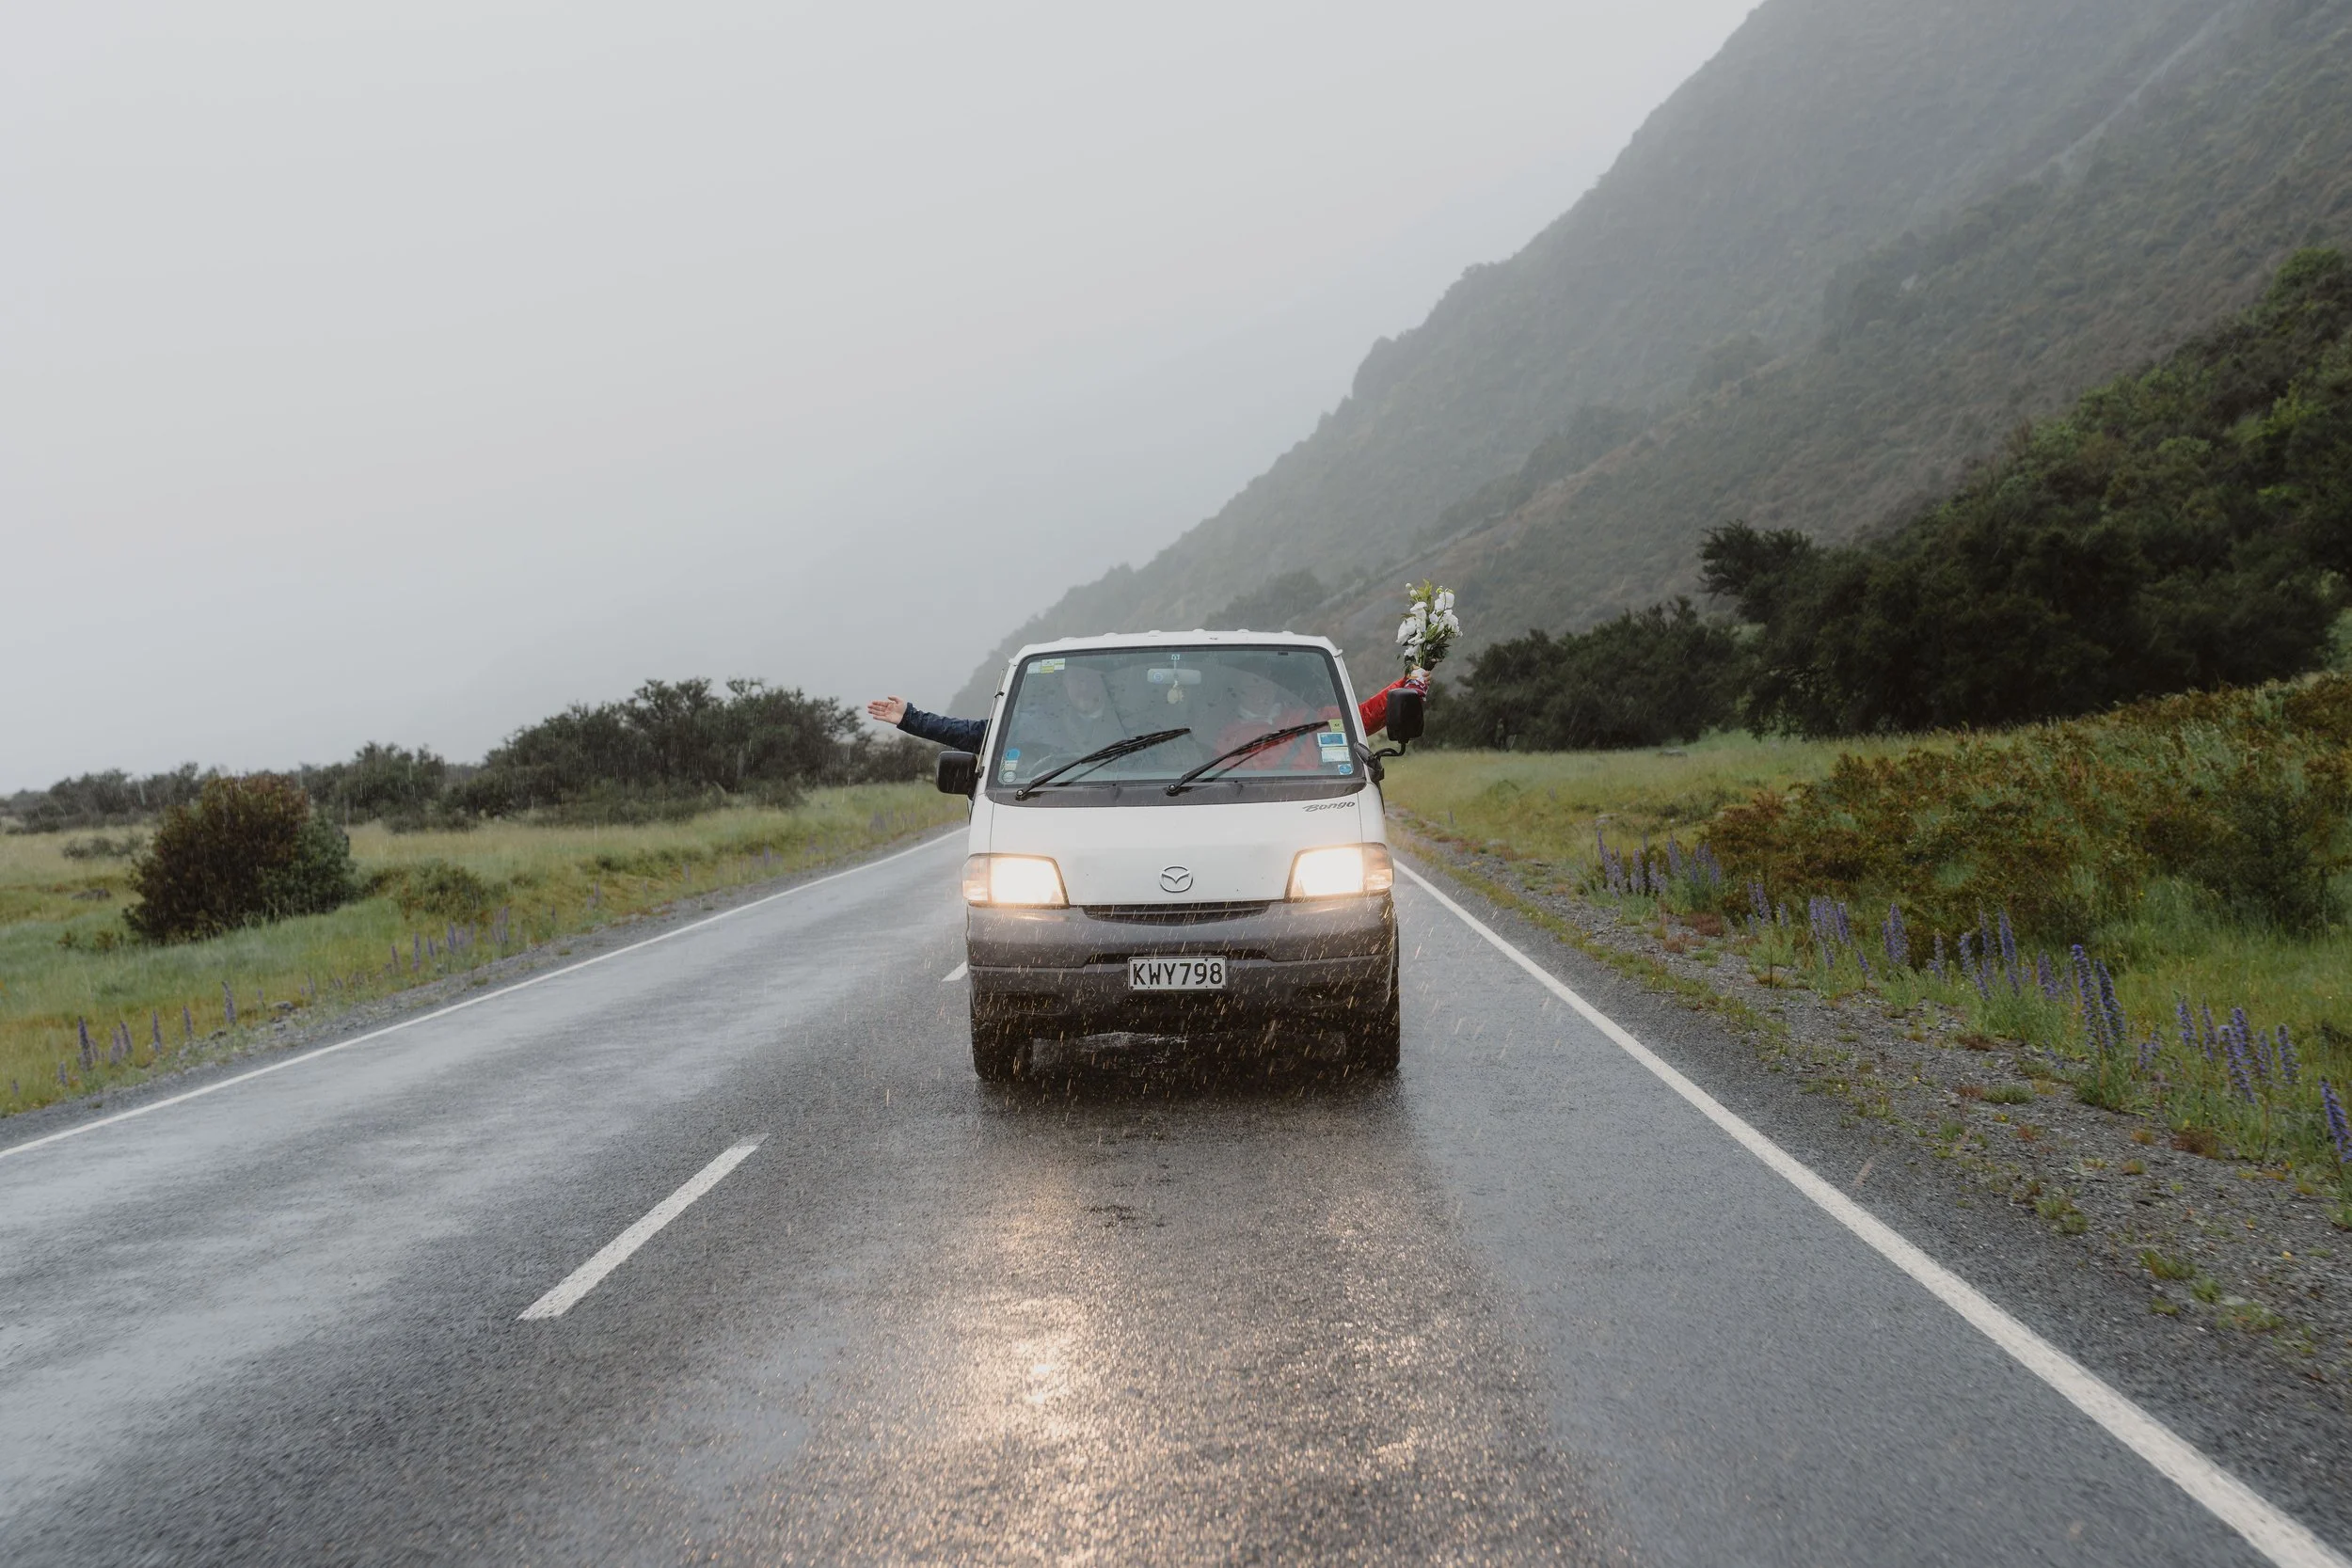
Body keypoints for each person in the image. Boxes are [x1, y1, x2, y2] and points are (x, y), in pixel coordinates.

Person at [868, 663, 1426, 756]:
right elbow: (979, 735)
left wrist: (1414, 678)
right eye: (1076, 682)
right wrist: (912, 718)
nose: (1085, 689)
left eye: (1269, 686)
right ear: (1066, 689)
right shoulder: (1038, 724)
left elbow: (1364, 717)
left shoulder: (1138, 727)